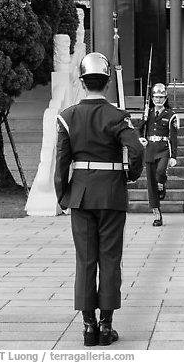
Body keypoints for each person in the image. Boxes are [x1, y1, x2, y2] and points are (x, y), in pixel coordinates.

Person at [54, 52, 144, 347]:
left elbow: (61, 164)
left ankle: (88, 327)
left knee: (85, 260)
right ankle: (106, 327)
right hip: (111, 194)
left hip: (80, 195)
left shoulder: (67, 117)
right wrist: (129, 175)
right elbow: (137, 150)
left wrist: (64, 196)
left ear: (82, 82)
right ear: (107, 84)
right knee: (110, 259)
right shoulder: (118, 116)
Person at [136, 83, 179, 227]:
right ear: (152, 98)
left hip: (164, 149)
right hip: (150, 149)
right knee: (151, 184)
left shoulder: (171, 115)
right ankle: (157, 214)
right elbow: (139, 129)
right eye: (156, 97)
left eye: (161, 97)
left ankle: (162, 182)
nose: (158, 100)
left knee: (160, 172)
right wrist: (143, 123)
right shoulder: (148, 112)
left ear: (165, 98)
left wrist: (173, 157)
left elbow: (173, 137)